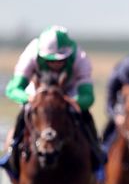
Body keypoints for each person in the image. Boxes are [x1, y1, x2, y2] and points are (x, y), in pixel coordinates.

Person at [4, 25, 103, 173]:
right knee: (25, 112)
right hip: (37, 92)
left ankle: (96, 152)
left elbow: (88, 97)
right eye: (50, 60)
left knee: (84, 115)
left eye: (61, 60)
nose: (56, 64)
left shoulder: (80, 58)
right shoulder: (30, 54)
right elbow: (12, 89)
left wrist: (74, 101)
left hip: (68, 92)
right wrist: (29, 98)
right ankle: (12, 151)